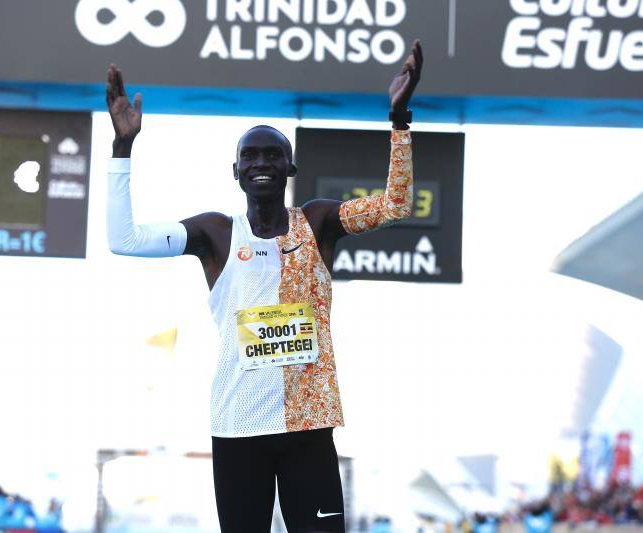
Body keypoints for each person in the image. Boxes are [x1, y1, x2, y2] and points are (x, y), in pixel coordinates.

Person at [105, 39, 423, 533]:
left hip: (308, 426)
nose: (260, 163)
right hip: (237, 427)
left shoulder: (317, 221)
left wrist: (399, 121)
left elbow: (395, 206)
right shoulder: (215, 232)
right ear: (235, 171)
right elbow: (124, 240)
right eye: (249, 156)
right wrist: (122, 146)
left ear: (289, 168)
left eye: (272, 155)